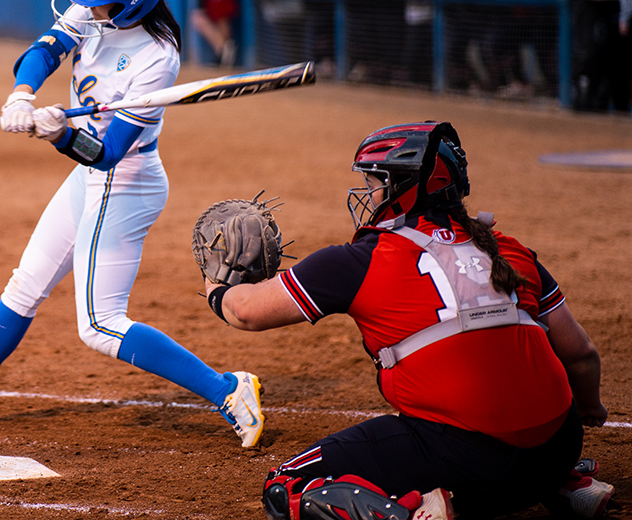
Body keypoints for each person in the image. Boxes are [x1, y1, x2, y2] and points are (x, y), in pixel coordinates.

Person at [0, 0, 264, 447]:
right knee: (25, 285)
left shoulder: (156, 59)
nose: (82, 3)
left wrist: (59, 133)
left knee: (99, 323)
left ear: (129, 2)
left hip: (126, 182)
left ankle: (229, 388)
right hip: (90, 176)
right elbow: (45, 50)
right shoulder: (95, 9)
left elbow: (110, 152)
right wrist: (22, 93)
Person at [203, 121, 612, 520]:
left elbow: (245, 311)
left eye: (376, 181)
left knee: (287, 485)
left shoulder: (362, 258)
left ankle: (418, 510)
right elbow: (581, 354)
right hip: (559, 448)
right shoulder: (509, 248)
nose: (369, 192)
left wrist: (215, 285)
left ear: (404, 187)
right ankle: (565, 483)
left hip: (470, 465)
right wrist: (589, 408)